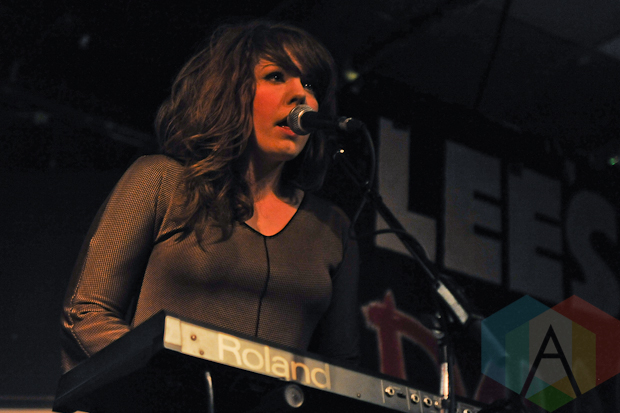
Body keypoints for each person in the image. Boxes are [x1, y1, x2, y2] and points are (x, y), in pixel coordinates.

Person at [60, 20, 360, 374]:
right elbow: (87, 314)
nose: (301, 95)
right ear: (229, 91)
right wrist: (165, 381)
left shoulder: (331, 228)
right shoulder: (161, 181)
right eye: (276, 76)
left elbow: (342, 369)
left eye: (310, 84)